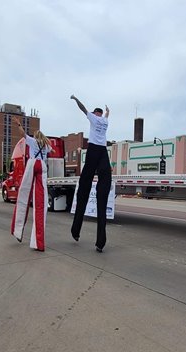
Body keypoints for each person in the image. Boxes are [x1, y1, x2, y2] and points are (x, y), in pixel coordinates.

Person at [70, 95, 112, 253]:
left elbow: (82, 108)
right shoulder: (105, 121)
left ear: (95, 114)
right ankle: (100, 242)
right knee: (103, 188)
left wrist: (75, 98)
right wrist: (108, 111)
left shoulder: (93, 118)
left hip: (93, 150)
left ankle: (76, 230)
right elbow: (107, 115)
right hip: (103, 152)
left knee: (84, 188)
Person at [11, 116, 55, 251]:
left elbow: (22, 134)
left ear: (36, 136)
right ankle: (38, 242)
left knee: (24, 195)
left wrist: (19, 124)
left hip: (32, 164)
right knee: (40, 203)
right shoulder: (46, 145)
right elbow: (52, 151)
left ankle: (17, 231)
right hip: (42, 166)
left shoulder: (32, 141)